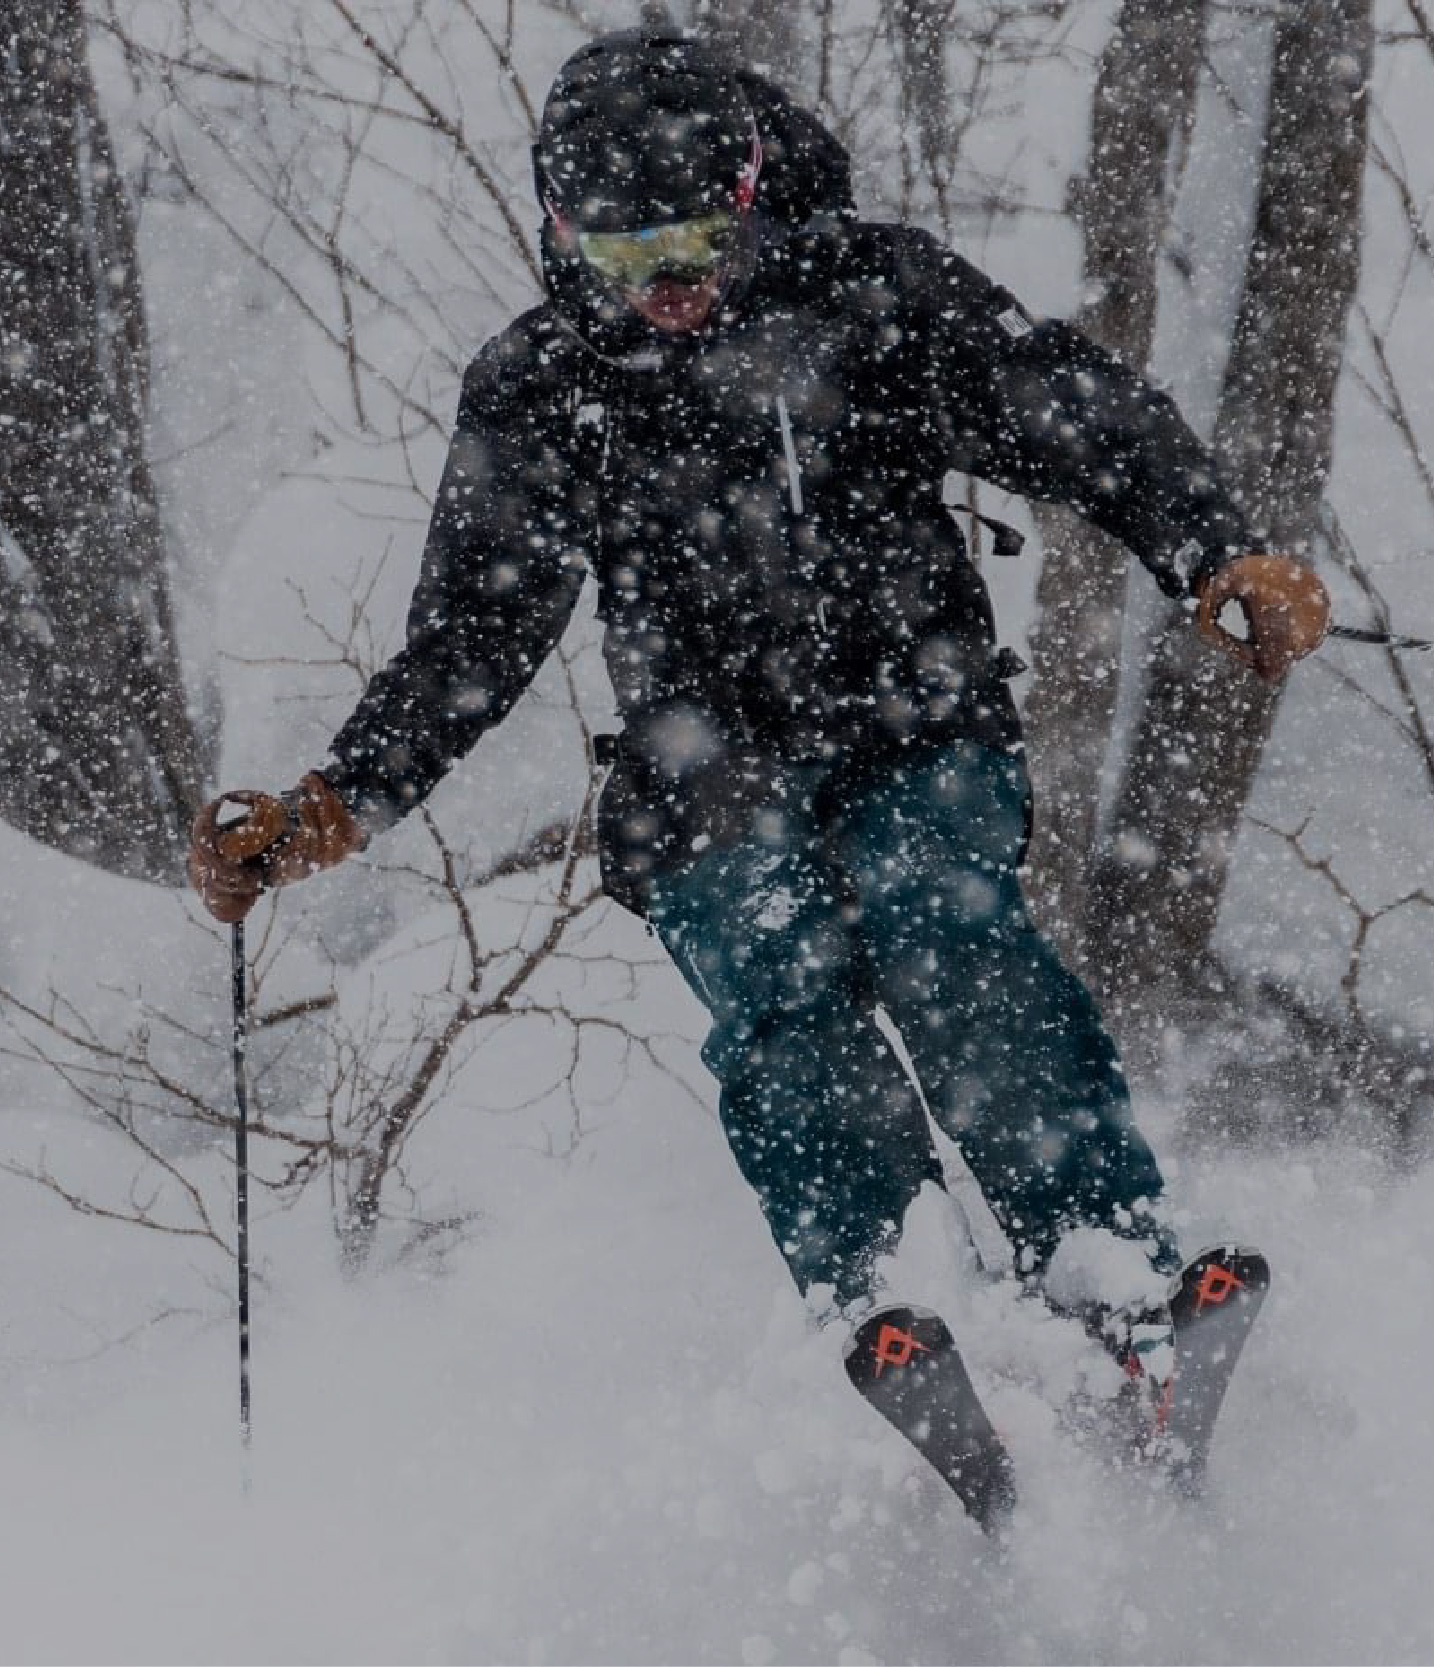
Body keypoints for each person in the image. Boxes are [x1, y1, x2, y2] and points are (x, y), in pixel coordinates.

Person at [190, 31, 1328, 1405]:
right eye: (622, 259)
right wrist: (338, 802)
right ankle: (888, 1293)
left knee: (948, 938)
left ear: (749, 192)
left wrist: (1212, 553)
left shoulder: (874, 295)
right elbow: (472, 638)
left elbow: (1072, 413)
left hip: (916, 719)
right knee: (786, 992)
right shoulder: (544, 387)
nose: (667, 291)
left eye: (691, 245)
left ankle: (1111, 1269)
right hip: (703, 769)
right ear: (562, 233)